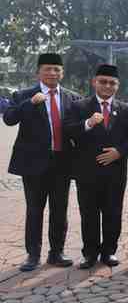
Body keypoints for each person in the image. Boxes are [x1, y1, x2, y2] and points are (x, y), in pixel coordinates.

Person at [3, 53, 79, 271]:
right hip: (33, 164)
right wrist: (29, 103)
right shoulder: (23, 95)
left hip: (62, 163)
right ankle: (33, 255)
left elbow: (78, 128)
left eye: (57, 69)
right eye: (47, 69)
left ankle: (56, 253)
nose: (52, 73)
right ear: (38, 73)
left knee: (59, 210)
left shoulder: (72, 98)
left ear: (62, 73)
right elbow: (9, 119)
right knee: (34, 210)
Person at [64, 64, 128, 269]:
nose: (107, 86)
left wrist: (119, 152)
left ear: (118, 85)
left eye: (112, 83)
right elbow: (68, 131)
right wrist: (88, 123)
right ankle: (90, 253)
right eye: (103, 82)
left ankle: (109, 251)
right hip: (87, 172)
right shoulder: (79, 107)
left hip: (115, 172)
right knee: (88, 213)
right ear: (94, 82)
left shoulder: (125, 110)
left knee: (113, 212)